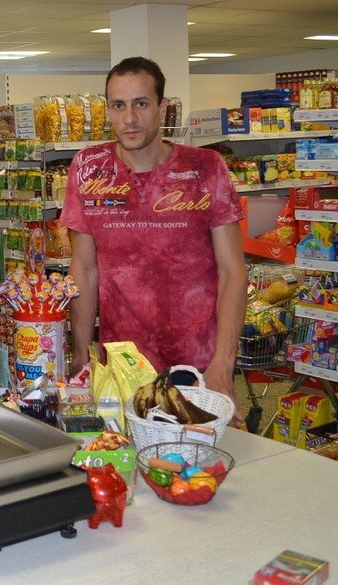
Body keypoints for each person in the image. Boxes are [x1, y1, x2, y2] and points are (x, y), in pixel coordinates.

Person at [60, 56, 248, 418]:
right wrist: (82, 358)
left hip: (198, 368)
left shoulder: (205, 168)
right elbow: (82, 270)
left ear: (162, 108)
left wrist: (223, 364)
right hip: (123, 367)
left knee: (198, 469)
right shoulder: (87, 168)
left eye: (141, 104)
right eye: (119, 105)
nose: (129, 119)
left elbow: (233, 271)